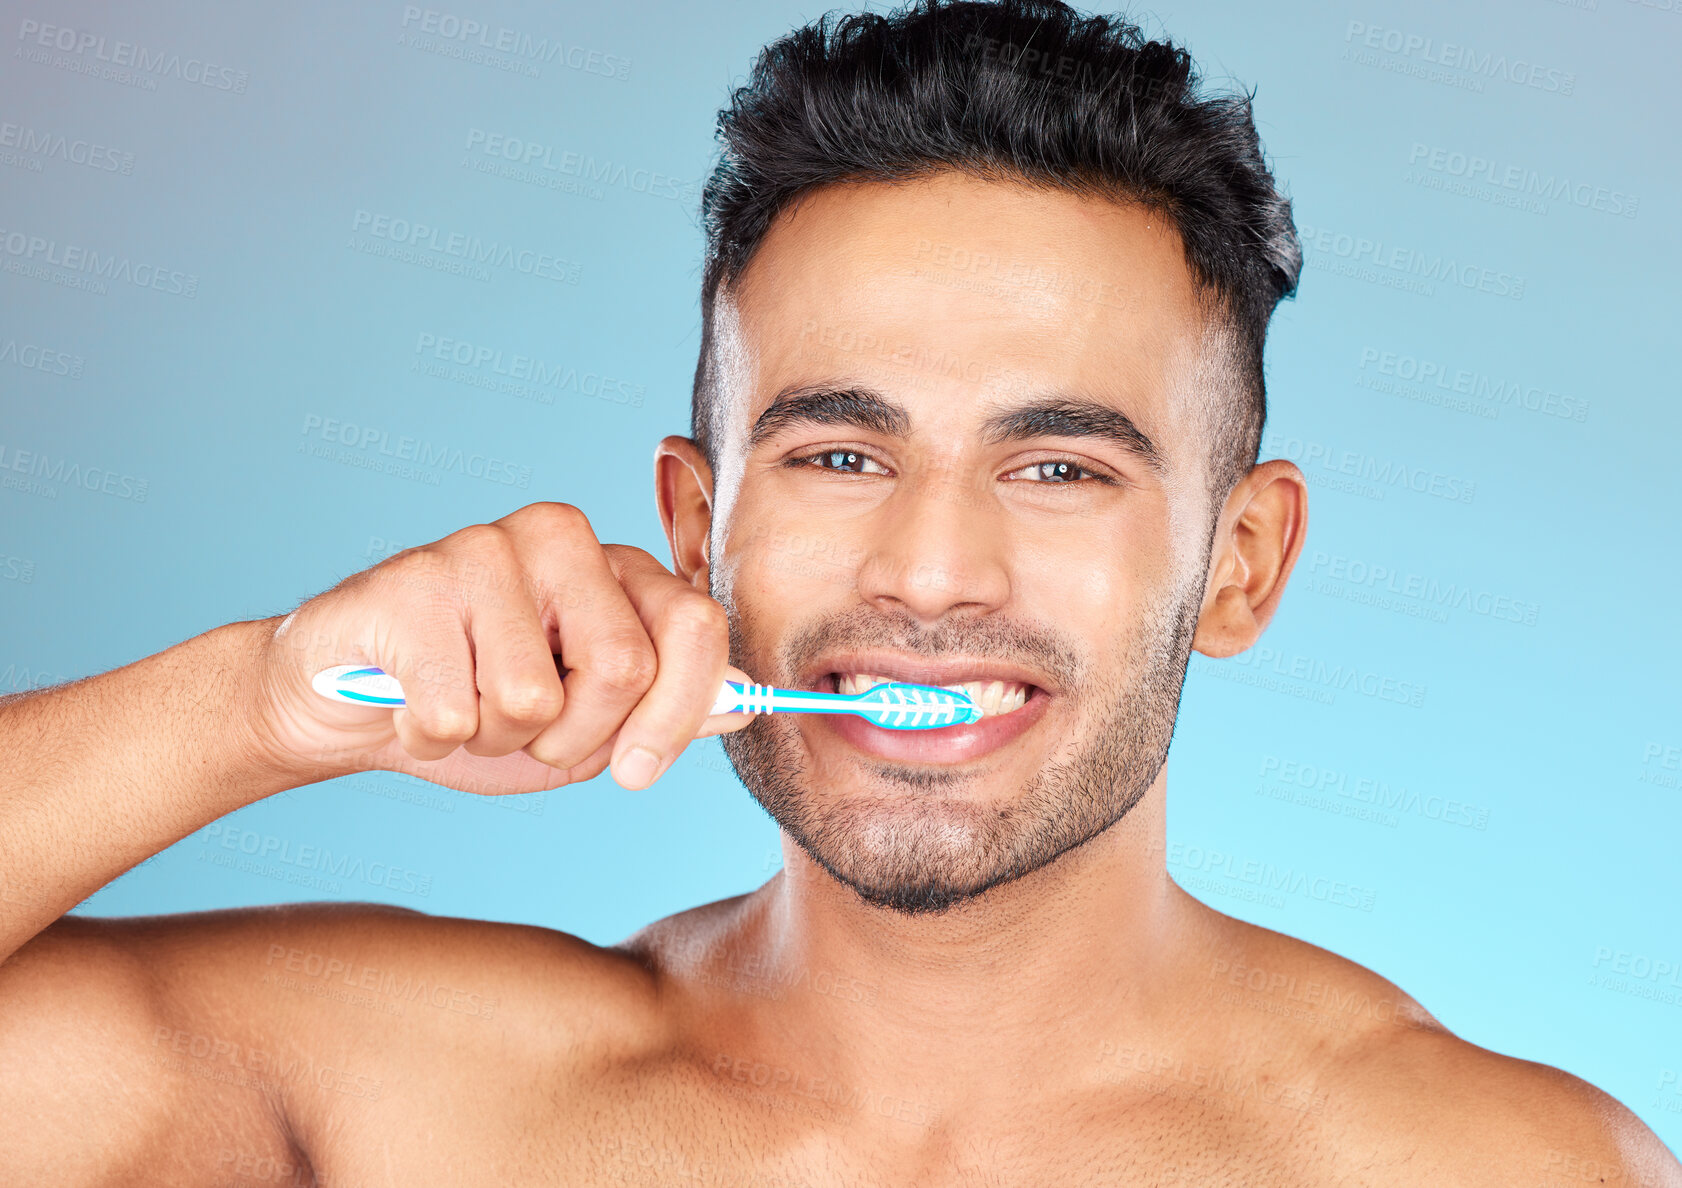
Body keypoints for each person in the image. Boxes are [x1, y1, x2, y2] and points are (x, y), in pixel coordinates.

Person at [2, 1, 1676, 1183]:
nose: (931, 573)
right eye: (838, 457)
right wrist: (262, 704)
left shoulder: (1496, 1168)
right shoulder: (392, 1101)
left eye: (1059, 468)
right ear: (693, 523)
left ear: (1238, 565)